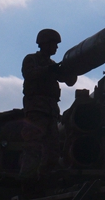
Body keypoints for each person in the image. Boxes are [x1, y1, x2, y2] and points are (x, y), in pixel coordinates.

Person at [20, 28, 77, 178]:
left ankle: (46, 178)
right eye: (54, 44)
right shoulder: (31, 60)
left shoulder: (52, 65)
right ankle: (28, 181)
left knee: (53, 150)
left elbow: (69, 81)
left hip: (51, 112)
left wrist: (73, 68)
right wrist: (49, 69)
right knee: (34, 147)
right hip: (36, 110)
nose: (56, 47)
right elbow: (29, 74)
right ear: (45, 43)